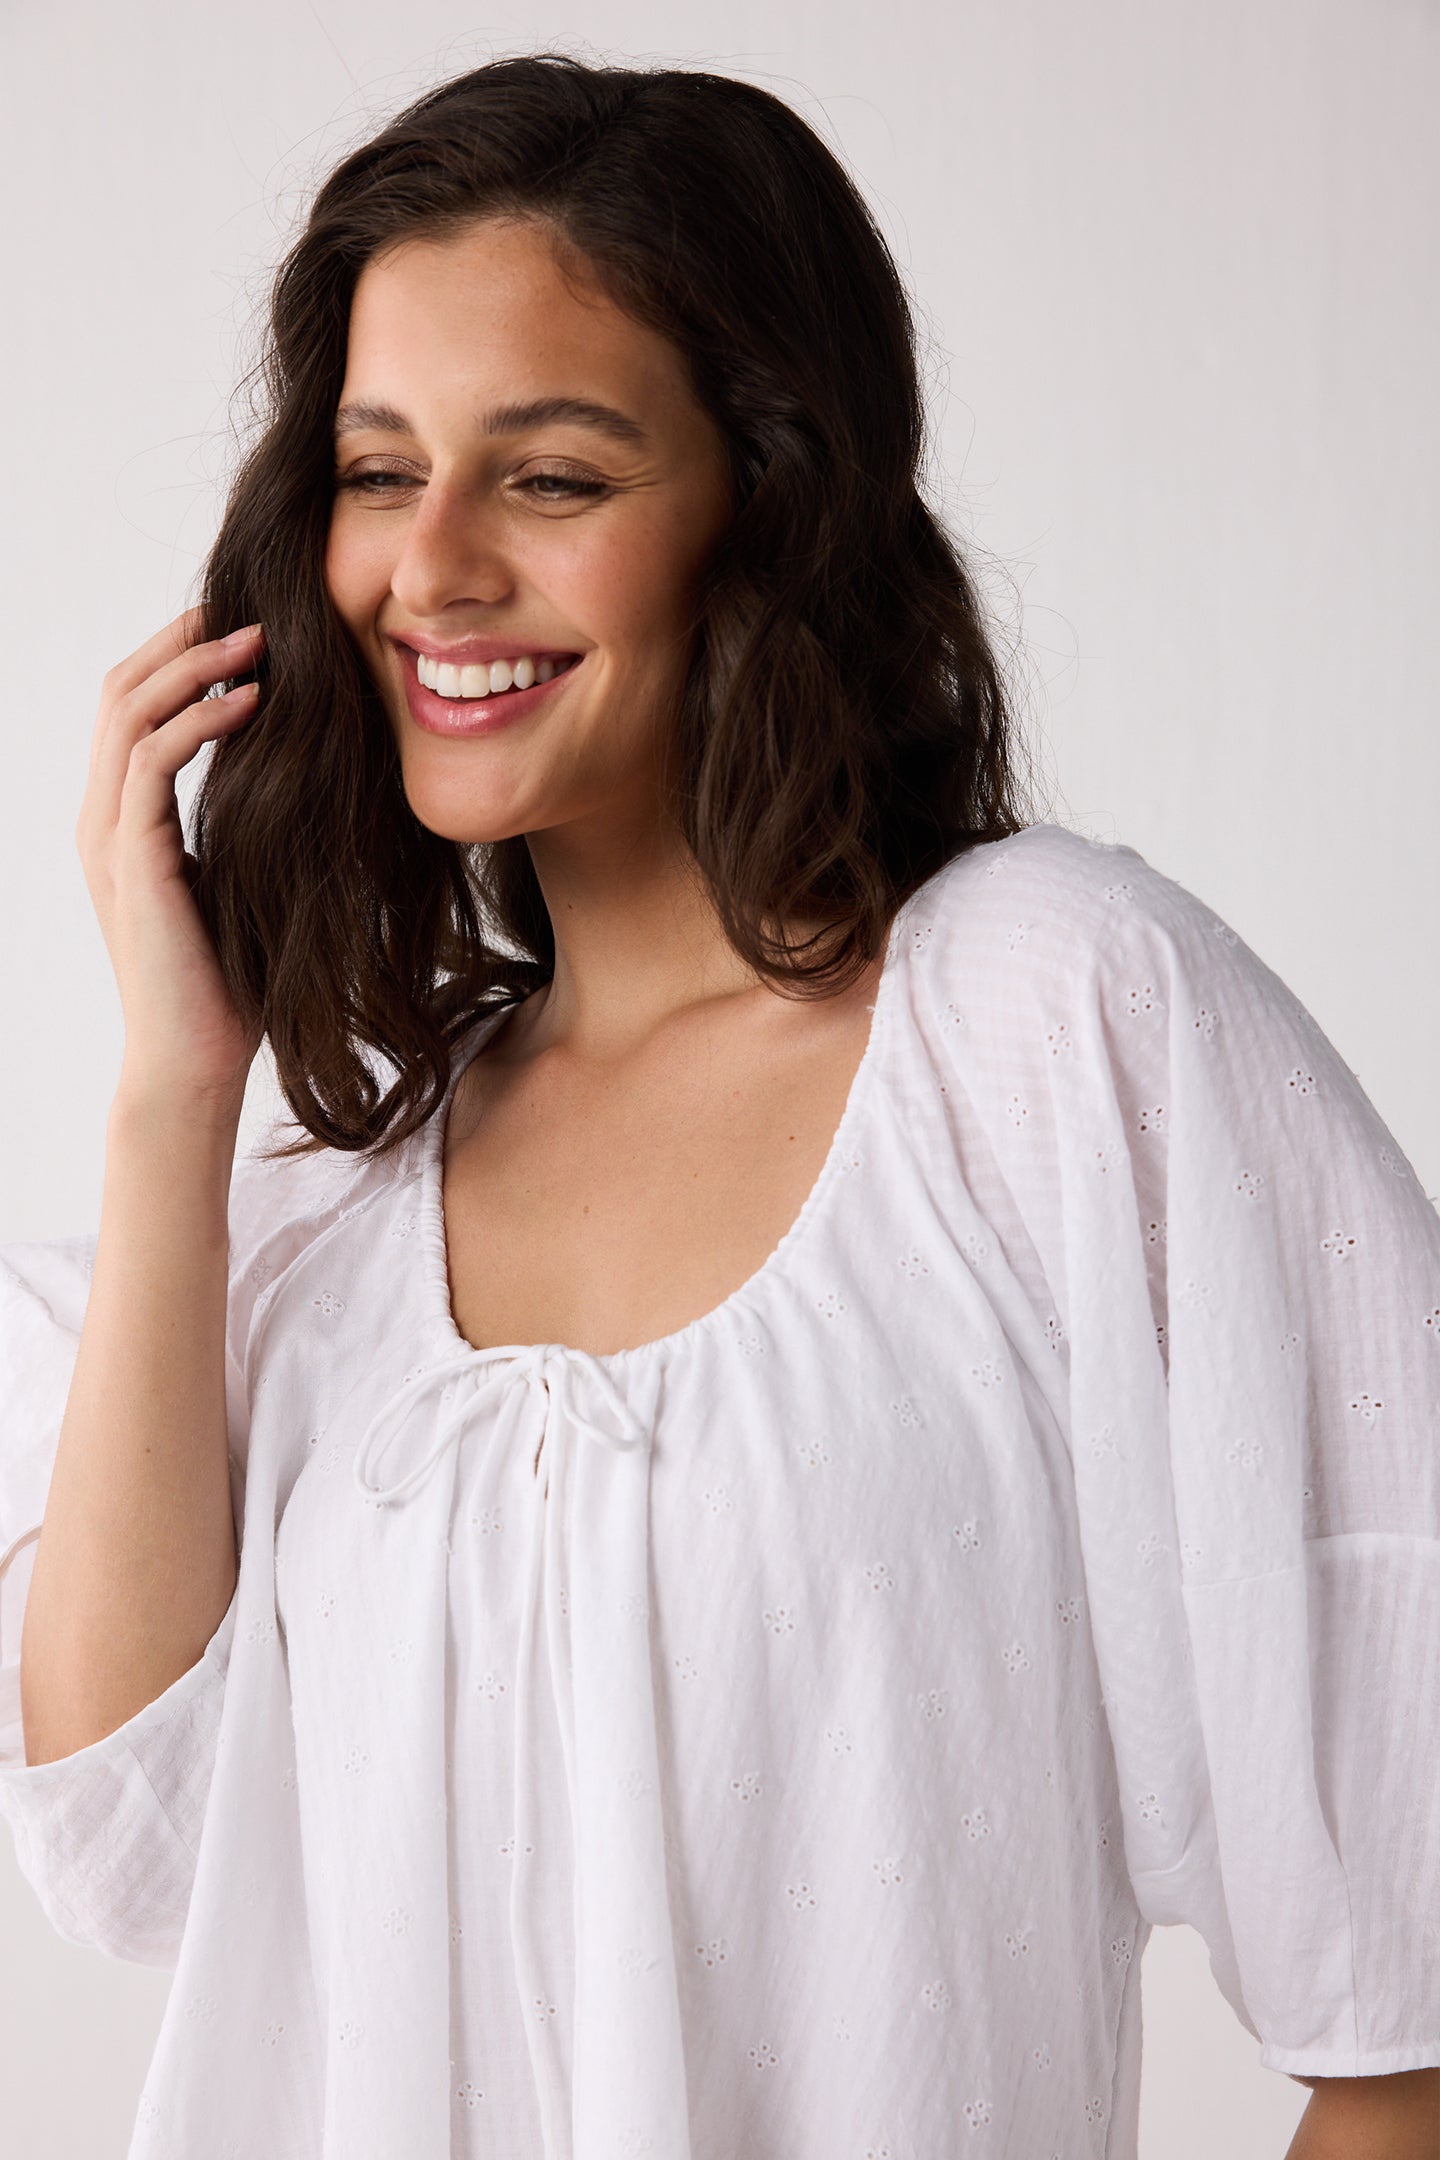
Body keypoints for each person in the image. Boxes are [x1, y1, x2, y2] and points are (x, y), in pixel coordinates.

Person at [0, 51, 1436, 2160]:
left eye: (555, 477)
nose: (435, 566)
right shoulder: (335, 1185)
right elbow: (129, 1842)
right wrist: (174, 1092)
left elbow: (1404, 2009)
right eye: (378, 471)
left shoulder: (1047, 1022)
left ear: (765, 504)